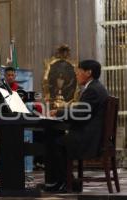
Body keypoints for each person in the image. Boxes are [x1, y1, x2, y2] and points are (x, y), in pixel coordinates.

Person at [44, 60, 108, 192]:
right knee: (55, 139)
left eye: (78, 71)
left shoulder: (93, 90)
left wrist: (59, 112)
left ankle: (64, 183)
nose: (76, 75)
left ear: (88, 72)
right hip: (91, 135)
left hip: (88, 139)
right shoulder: (95, 87)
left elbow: (81, 113)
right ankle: (63, 182)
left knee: (53, 142)